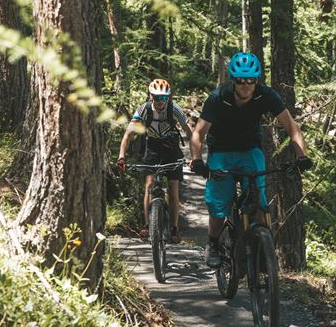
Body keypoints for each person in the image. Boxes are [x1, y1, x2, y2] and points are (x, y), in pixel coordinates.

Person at [189, 52, 312, 268]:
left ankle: (262, 250)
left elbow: (292, 127)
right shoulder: (218, 97)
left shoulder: (266, 95)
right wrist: (197, 160)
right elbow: (198, 133)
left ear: (257, 80)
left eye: (250, 80)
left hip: (249, 150)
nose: (245, 85)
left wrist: (302, 156)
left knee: (260, 201)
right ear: (233, 80)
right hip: (221, 151)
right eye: (240, 81)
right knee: (218, 204)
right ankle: (214, 243)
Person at [116, 79, 193, 242]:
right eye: (157, 97)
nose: (160, 101)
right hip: (152, 148)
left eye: (164, 98)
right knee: (149, 185)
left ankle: (173, 229)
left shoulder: (174, 109)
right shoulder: (144, 109)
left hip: (172, 149)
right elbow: (128, 134)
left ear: (168, 98)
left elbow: (190, 133)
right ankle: (146, 225)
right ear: (151, 96)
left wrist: (195, 156)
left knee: (173, 187)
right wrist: (121, 156)